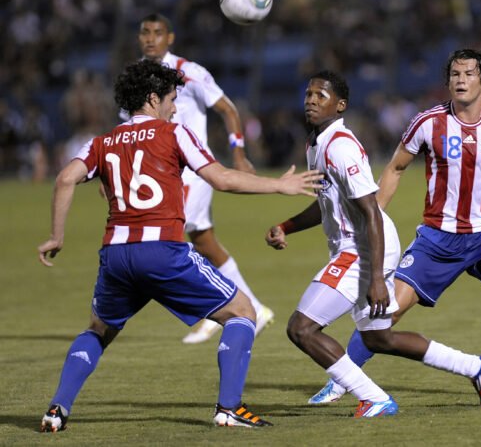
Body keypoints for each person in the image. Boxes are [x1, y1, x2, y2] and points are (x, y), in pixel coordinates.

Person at [38, 59, 323, 432]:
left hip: (116, 255)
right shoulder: (174, 133)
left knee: (97, 331)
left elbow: (64, 178)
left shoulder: (102, 142)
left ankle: (57, 409)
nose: (175, 107)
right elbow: (221, 179)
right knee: (242, 312)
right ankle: (229, 408)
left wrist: (57, 236)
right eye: (172, 99)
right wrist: (279, 186)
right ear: (153, 99)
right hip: (163, 252)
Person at [308, 48, 481, 404]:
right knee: (386, 312)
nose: (460, 80)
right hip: (437, 240)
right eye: (455, 75)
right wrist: (375, 215)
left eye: (469, 74)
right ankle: (342, 381)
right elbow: (396, 168)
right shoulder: (428, 122)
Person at [265, 70, 481, 419]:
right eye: (309, 94)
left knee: (301, 328)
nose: (312, 101)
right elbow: (327, 202)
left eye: (321, 96)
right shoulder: (317, 144)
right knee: (379, 339)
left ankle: (373, 397)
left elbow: (371, 212)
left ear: (340, 105)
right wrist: (287, 226)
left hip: (362, 250)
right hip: (363, 247)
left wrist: (375, 278)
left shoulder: (341, 148)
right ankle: (475, 367)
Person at [137, 13, 274, 344]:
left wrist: (238, 153)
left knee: (167, 239)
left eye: (158, 33)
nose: (150, 38)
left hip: (192, 172)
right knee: (204, 242)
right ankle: (254, 307)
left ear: (170, 38)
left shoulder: (190, 72)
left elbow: (227, 109)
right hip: (159, 176)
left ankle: (217, 309)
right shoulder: (137, 76)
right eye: (145, 32)